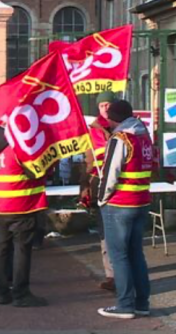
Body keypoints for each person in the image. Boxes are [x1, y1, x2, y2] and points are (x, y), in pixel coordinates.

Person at [0, 122, 48, 307]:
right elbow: (35, 171)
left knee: (0, 248)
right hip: (21, 204)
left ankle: (1, 292)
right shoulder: (19, 145)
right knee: (21, 250)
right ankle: (21, 293)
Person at [97, 100, 153, 319]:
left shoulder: (120, 139)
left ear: (114, 118)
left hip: (119, 203)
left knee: (118, 256)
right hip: (141, 201)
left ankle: (125, 305)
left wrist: (102, 199)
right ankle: (142, 303)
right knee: (136, 254)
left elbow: (111, 173)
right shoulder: (143, 135)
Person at [81, 91, 116, 291]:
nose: (106, 108)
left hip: (120, 189)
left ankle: (125, 273)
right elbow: (88, 161)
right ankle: (111, 275)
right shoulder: (92, 130)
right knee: (104, 234)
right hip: (100, 186)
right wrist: (85, 188)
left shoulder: (122, 128)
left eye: (108, 105)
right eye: (102, 105)